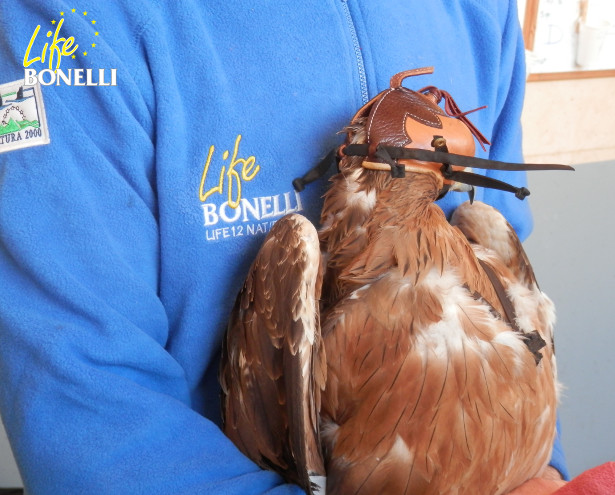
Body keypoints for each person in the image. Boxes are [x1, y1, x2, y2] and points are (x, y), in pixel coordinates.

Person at [0, 1, 568, 493]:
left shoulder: (480, 8)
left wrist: (544, 474)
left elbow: (518, 306)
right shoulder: (63, 24)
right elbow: (85, 406)